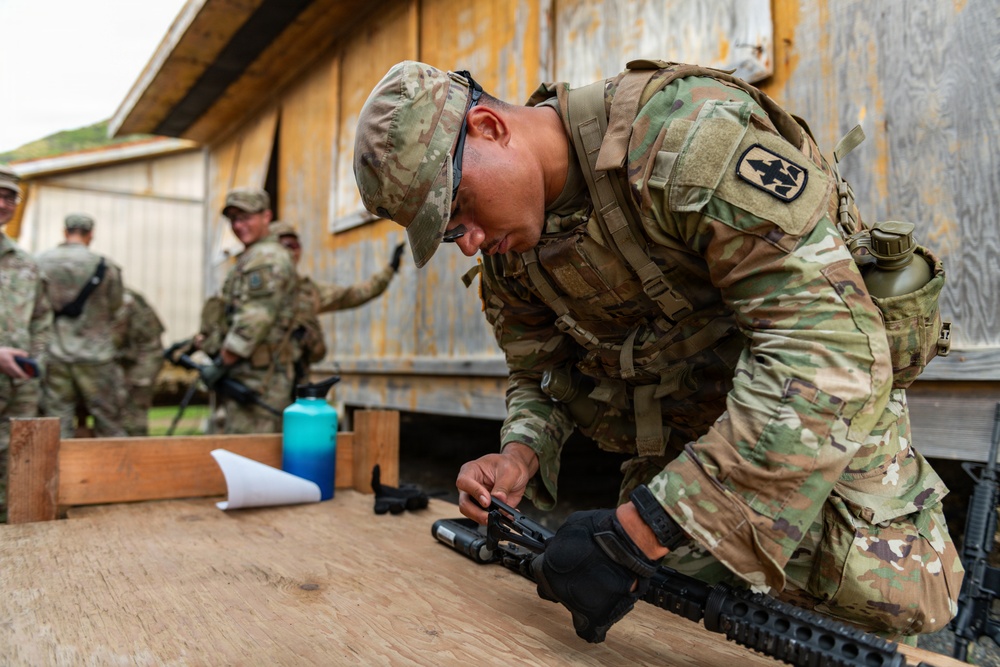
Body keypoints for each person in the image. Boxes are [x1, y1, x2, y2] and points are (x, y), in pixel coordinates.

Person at [353, 61, 962, 642]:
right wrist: (520, 453)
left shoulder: (686, 138)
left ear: (490, 127)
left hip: (819, 401)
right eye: (454, 233)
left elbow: (823, 345)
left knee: (892, 590)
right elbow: (540, 373)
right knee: (664, 604)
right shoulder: (510, 257)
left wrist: (643, 529)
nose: (469, 243)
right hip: (688, 433)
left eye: (460, 211)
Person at [193, 187, 297, 433]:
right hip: (250, 374)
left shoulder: (266, 259)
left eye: (246, 217)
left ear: (266, 216)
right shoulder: (252, 256)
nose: (239, 225)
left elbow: (254, 319)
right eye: (233, 219)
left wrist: (221, 364)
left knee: (252, 454)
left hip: (260, 379)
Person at [270, 220, 404, 388]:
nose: (291, 252)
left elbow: (352, 295)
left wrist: (389, 270)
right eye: (284, 245)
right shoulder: (251, 285)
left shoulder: (307, 291)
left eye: (295, 245)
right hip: (257, 383)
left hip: (293, 383)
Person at [37, 213, 126, 439]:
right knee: (108, 420)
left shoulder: (39, 262)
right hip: (96, 356)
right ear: (90, 234)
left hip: (55, 353)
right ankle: (115, 472)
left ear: (65, 232)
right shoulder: (105, 266)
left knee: (58, 421)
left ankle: (60, 473)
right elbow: (116, 306)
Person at [0, 165, 52, 521]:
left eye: (10, 197)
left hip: (19, 383)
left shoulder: (25, 263)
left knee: (15, 456)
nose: (4, 203)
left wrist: (37, 360)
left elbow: (42, 319)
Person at [112, 287, 166, 436]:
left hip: (145, 356)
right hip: (133, 355)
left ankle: (137, 449)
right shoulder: (116, 294)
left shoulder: (123, 299)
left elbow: (115, 339)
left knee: (134, 409)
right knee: (123, 408)